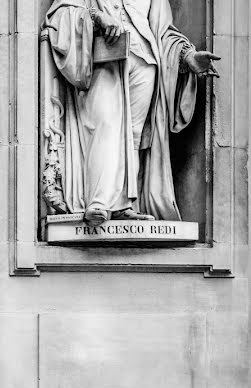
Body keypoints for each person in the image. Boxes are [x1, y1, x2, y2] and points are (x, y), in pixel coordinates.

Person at [44, 0, 219, 225]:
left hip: (145, 63)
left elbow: (163, 33)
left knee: (134, 137)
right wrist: (95, 17)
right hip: (104, 61)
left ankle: (124, 205)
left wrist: (187, 57)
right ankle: (99, 202)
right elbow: (60, 15)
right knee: (105, 123)